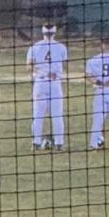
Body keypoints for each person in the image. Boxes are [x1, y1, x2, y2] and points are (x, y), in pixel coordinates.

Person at [26, 23, 68, 151]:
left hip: (40, 83)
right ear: (55, 33)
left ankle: (36, 143)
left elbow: (28, 67)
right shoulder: (61, 47)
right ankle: (59, 143)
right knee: (57, 115)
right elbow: (65, 65)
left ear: (43, 33)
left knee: (38, 115)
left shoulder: (34, 47)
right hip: (55, 83)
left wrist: (38, 70)